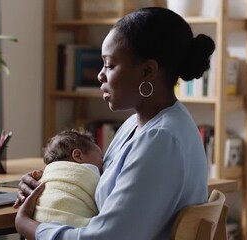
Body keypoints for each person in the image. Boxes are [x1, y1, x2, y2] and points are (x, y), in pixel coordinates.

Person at [15, 7, 214, 240]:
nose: (100, 75)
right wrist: (52, 183)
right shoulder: (137, 125)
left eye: (109, 65)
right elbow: (101, 188)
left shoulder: (161, 139)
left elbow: (106, 238)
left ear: (148, 71)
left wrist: (27, 225)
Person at [33, 129, 103, 228]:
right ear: (78, 156)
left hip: (40, 224)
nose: (103, 162)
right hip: (71, 230)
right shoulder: (88, 172)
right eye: (101, 157)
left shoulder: (49, 173)